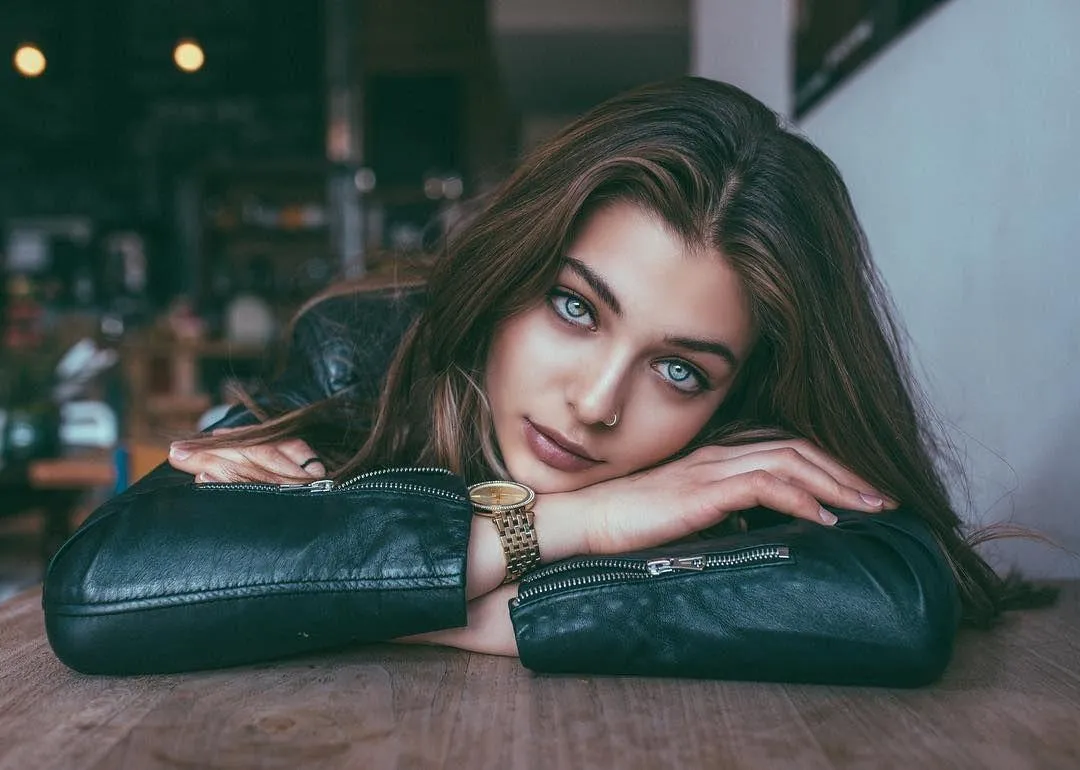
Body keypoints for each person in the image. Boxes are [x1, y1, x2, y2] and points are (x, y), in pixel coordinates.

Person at [43, 76, 1043, 684]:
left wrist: (417, 606)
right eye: (575, 306)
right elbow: (102, 588)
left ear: (738, 397)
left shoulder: (751, 457)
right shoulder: (359, 357)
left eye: (681, 369)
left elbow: (897, 603)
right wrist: (572, 525)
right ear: (507, 274)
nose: (599, 400)